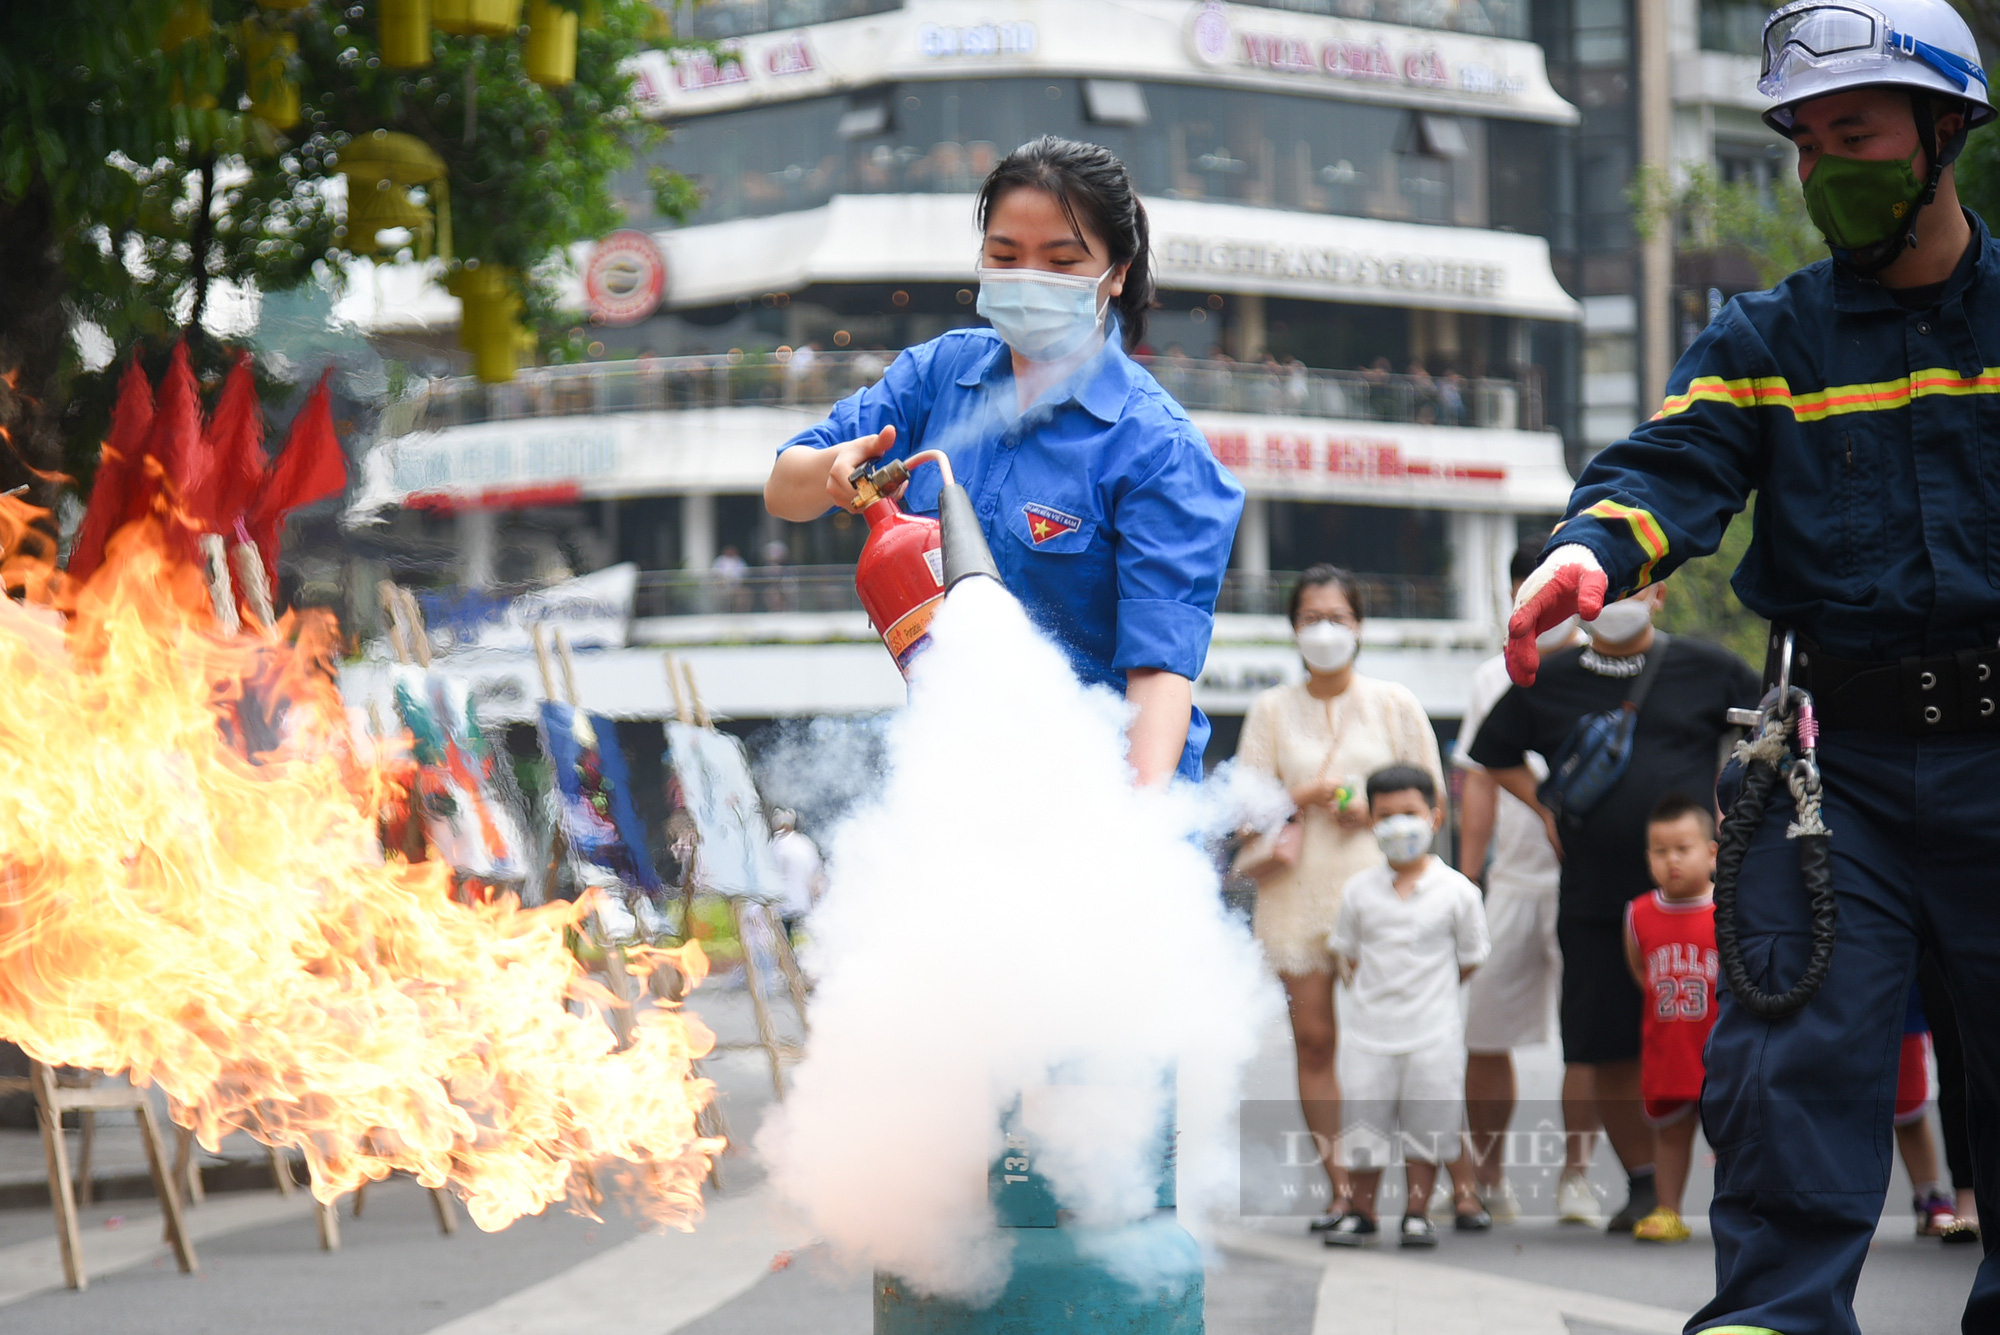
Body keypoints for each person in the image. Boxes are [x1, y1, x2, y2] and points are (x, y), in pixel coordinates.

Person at [1501, 2, 2000, 1327]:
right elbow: (1665, 470)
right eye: (1806, 139)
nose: (1827, 163)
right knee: (1790, 1071)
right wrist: (1590, 554)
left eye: (1861, 133)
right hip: (1840, 786)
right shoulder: (1766, 339)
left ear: (1944, 133)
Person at [764, 136, 1243, 788]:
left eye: (1062, 261)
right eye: (1005, 256)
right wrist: (829, 469)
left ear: (1119, 271)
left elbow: (1158, 676)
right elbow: (783, 489)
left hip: (1095, 792)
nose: (1029, 278)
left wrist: (1133, 837)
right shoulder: (940, 373)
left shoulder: (1159, 451)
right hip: (962, 785)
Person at [1468, 582, 1758, 1233]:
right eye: (1612, 589)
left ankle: (1741, 1178)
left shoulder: (1706, 666)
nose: (1623, 600)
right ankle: (1645, 1183)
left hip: (1699, 906)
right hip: (1596, 898)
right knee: (1605, 1044)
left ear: (1660, 596)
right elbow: (1492, 751)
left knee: (1720, 1034)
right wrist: (1545, 806)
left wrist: (1735, 817)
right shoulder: (1550, 674)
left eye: (1639, 586)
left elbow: (1775, 726)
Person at [1236, 565, 1451, 1230]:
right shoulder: (1270, 709)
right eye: (1312, 618)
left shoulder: (1396, 703)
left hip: (1379, 893)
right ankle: (1342, 1189)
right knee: (1317, 1043)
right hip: (1293, 894)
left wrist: (1376, 814)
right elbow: (1243, 809)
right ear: (1294, 628)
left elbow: (1434, 802)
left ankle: (1422, 1185)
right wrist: (1299, 795)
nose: (1325, 629)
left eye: (1337, 616)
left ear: (1358, 625)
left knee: (1397, 1042)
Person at [1454, 541, 1580, 1224]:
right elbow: (1477, 780)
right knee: (1485, 1030)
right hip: (1513, 879)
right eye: (1521, 592)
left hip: (1586, 881)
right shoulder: (1488, 678)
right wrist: (1468, 879)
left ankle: (1578, 1176)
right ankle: (1488, 1175)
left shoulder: (1606, 666)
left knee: (1588, 1037)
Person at [1322, 764, 1490, 1249]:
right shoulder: (1358, 891)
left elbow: (1471, 958)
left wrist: (1430, 995)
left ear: (1435, 817)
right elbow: (1348, 955)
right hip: (1369, 1036)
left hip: (1433, 1034)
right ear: (1371, 822)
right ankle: (1362, 1211)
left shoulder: (1459, 892)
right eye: (1387, 815)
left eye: (1410, 813)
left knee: (1428, 1130)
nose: (1399, 825)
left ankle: (1417, 1212)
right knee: (1364, 1128)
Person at [1621, 793, 1720, 1245]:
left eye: (1683, 849)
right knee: (1671, 1135)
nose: (1672, 860)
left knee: (1733, 1139)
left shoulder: (1728, 910)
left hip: (1720, 1055)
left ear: (1712, 852)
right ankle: (1668, 1210)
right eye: (1660, 852)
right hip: (1668, 1052)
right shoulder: (1639, 912)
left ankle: (1740, 1212)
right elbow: (1641, 971)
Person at [769, 808, 824, 946]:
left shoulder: (775, 845)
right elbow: (815, 875)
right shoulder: (804, 844)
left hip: (781, 904)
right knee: (805, 944)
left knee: (785, 944)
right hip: (802, 903)